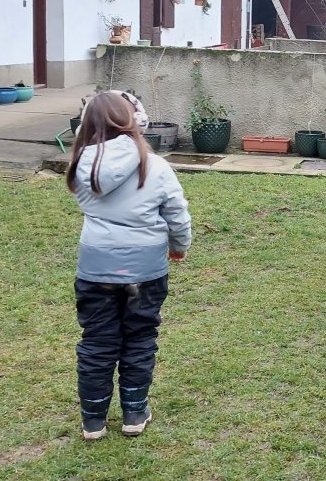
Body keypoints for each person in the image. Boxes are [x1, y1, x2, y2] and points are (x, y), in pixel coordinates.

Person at [67, 91, 192, 440]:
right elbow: (177, 214)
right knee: (139, 338)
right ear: (134, 120)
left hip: (96, 266)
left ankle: (93, 420)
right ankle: (134, 413)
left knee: (97, 341)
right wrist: (179, 246)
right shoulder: (156, 165)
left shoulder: (80, 163)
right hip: (146, 267)